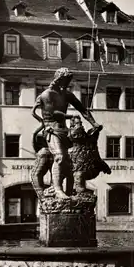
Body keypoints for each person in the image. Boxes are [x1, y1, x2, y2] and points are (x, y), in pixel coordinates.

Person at [31, 68, 102, 199]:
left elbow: (83, 110)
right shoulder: (47, 94)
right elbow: (54, 113)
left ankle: (70, 190)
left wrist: (94, 123)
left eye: (69, 80)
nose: (68, 82)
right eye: (66, 80)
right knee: (60, 157)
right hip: (51, 130)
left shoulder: (67, 95)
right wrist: (70, 116)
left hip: (65, 131)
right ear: (59, 79)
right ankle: (57, 189)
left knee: (71, 162)